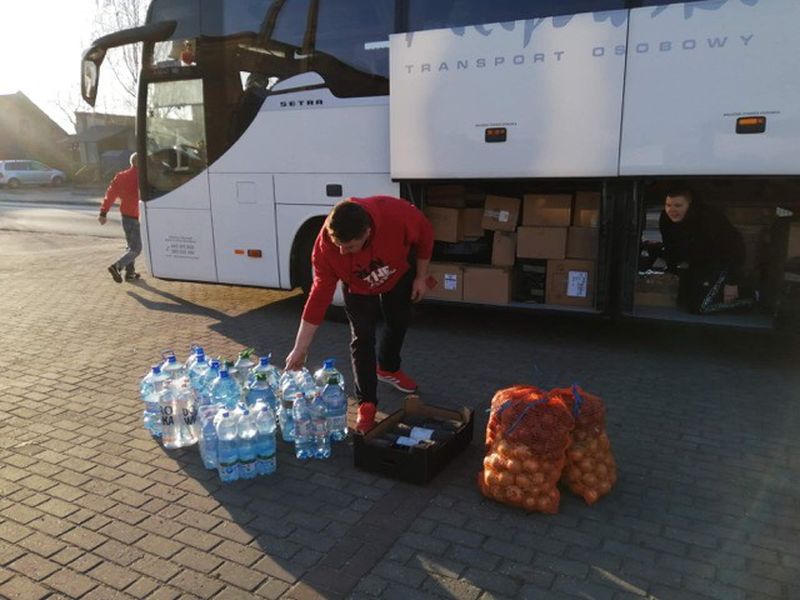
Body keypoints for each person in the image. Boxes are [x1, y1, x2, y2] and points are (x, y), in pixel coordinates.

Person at [285, 196, 434, 432]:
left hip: (396, 274)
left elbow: (425, 237)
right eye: (338, 245)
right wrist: (300, 348)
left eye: (350, 246)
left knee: (399, 320)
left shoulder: (398, 215)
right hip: (357, 286)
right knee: (362, 338)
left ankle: (388, 367)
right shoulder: (325, 247)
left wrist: (421, 276)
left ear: (367, 232)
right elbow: (318, 299)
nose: (342, 252)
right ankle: (367, 404)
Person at [659, 187, 752, 313]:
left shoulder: (710, 219)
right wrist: (672, 270)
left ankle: (751, 298)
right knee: (682, 303)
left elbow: (736, 248)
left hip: (723, 265)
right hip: (698, 267)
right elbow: (670, 246)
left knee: (699, 307)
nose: (672, 210)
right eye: (668, 205)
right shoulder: (666, 219)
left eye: (678, 205)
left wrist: (732, 282)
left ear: (690, 205)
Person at [98, 153, 141, 283]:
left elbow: (110, 194)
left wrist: (103, 213)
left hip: (125, 216)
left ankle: (130, 273)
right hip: (136, 216)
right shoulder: (143, 177)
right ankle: (116, 267)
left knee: (130, 245)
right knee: (136, 248)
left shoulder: (121, 176)